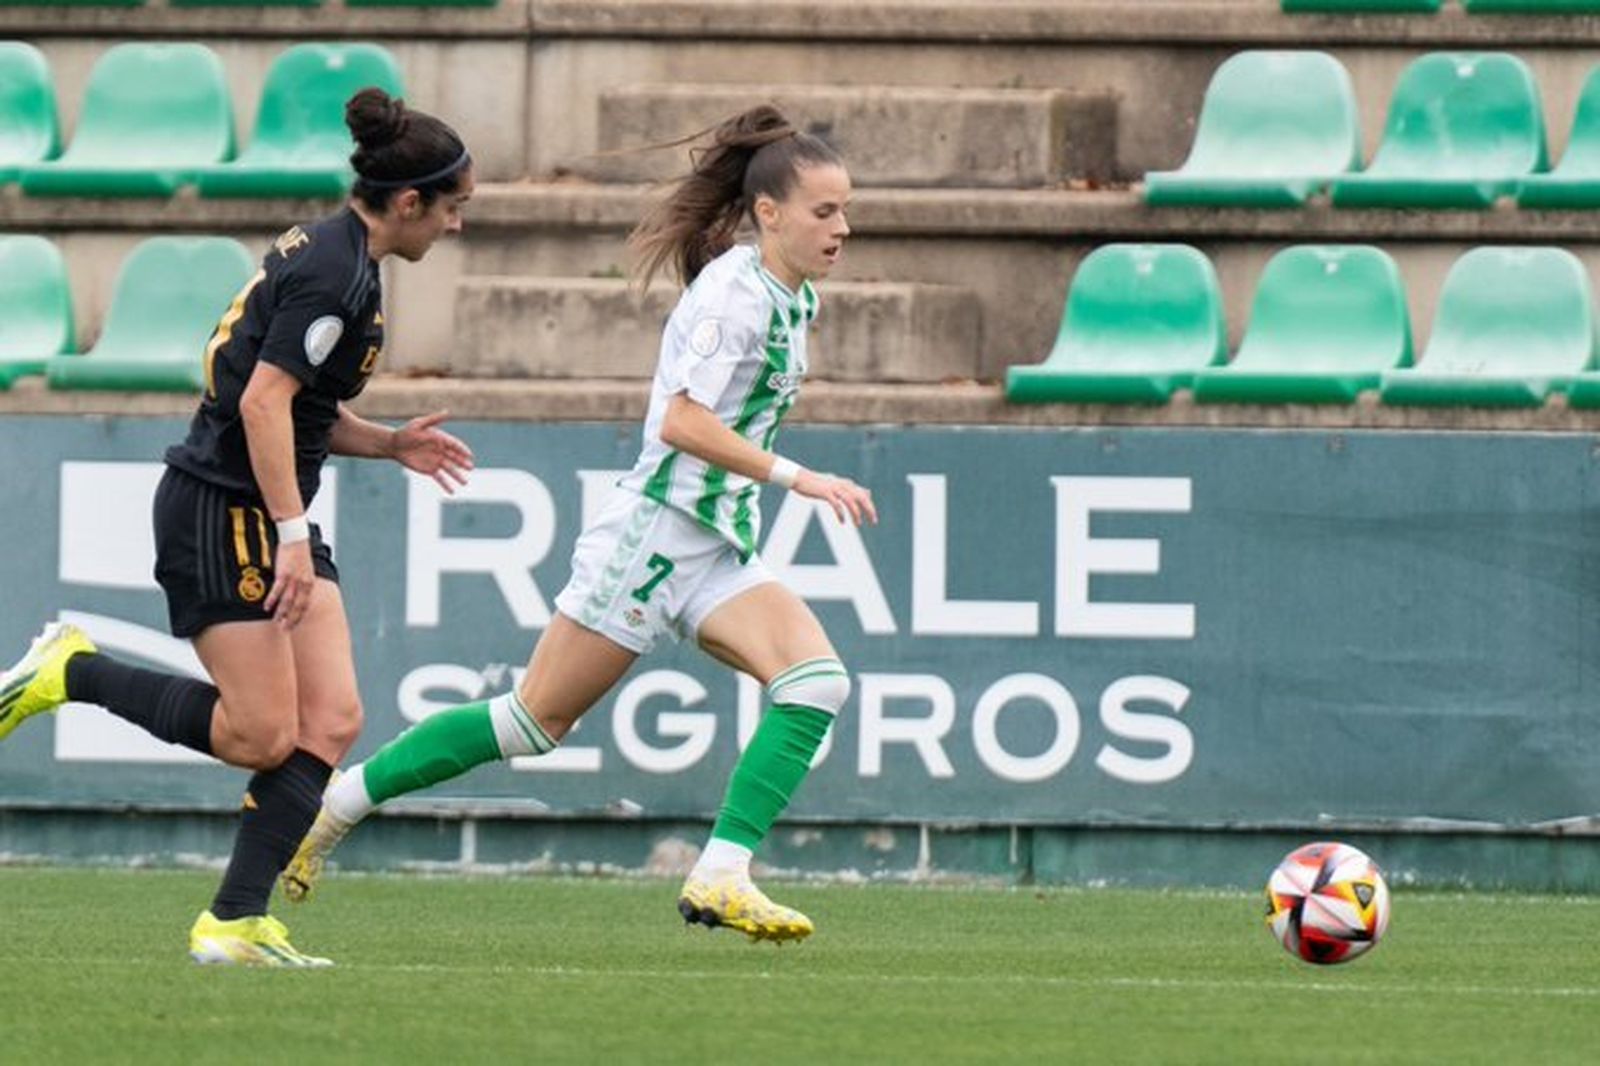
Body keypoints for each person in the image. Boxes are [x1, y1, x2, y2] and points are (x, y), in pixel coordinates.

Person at [279, 104, 875, 943]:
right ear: (769, 214)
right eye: (826, 210)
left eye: (847, 209)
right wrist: (798, 477)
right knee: (532, 723)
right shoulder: (732, 299)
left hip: (714, 544)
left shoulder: (792, 294)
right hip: (654, 538)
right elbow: (681, 423)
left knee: (815, 684)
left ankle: (722, 875)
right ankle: (332, 806)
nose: (843, 227)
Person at [0, 88, 477, 967]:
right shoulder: (336, 270)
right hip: (229, 510)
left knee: (330, 719)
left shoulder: (347, 257)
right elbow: (261, 403)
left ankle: (233, 923)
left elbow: (296, 410)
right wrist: (293, 534)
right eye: (454, 208)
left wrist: (390, 443)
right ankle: (73, 670)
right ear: (410, 203)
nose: (456, 226)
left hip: (263, 506)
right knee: (260, 735)